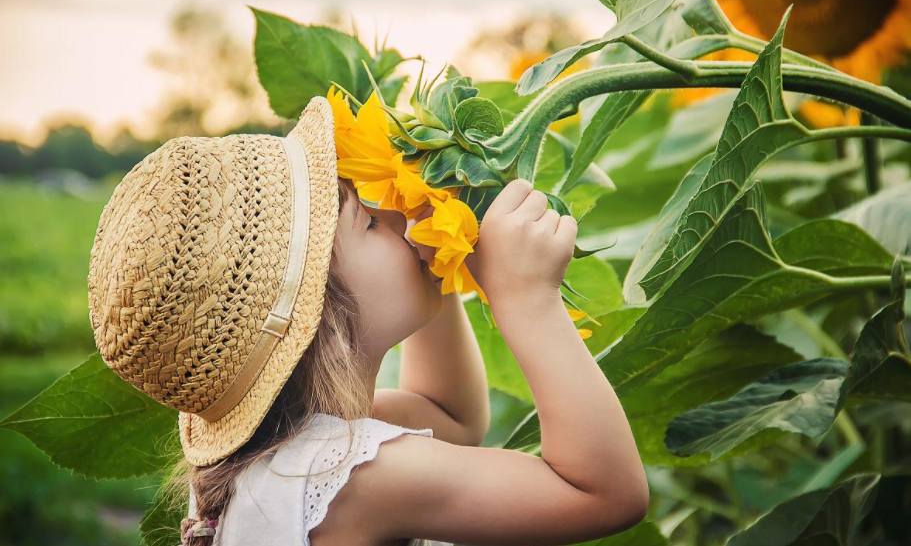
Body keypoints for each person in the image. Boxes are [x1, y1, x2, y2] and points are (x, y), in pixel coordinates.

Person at [86, 95, 648, 546]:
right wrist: (529, 301)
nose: (396, 209)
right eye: (371, 221)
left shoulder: (289, 452)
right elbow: (602, 495)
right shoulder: (350, 480)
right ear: (323, 322)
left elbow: (450, 418)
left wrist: (434, 239)